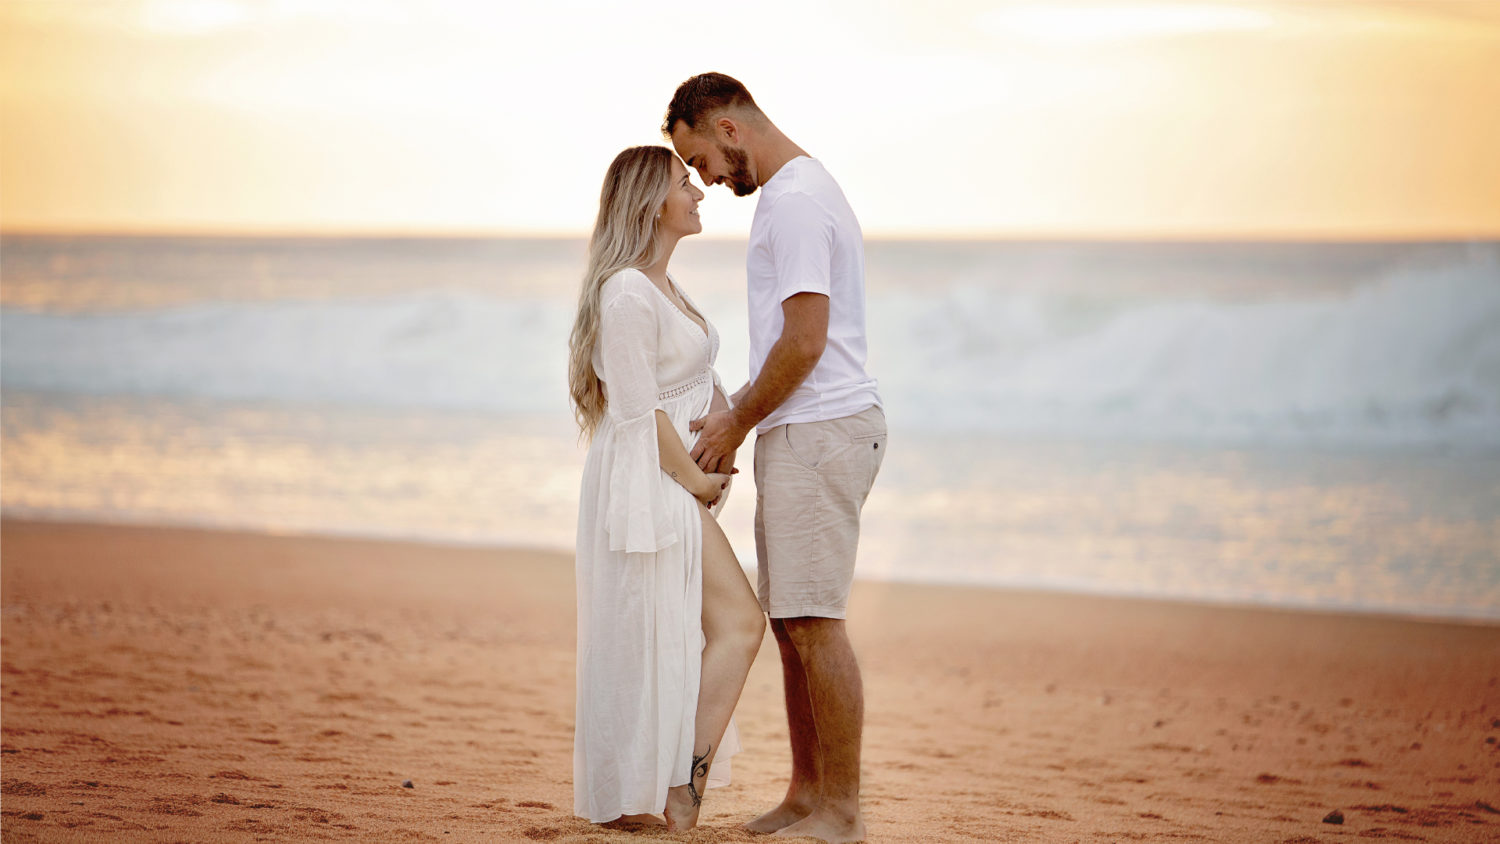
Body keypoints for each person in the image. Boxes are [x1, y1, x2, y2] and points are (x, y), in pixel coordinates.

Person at [664, 73, 887, 844]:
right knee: (794, 622)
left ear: (728, 129)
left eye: (700, 159)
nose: (705, 179)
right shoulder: (794, 194)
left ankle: (842, 812)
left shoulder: (793, 201)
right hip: (805, 431)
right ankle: (805, 796)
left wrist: (735, 422)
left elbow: (806, 340)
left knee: (816, 622)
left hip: (821, 430)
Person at [567, 145, 765, 831]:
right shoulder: (626, 291)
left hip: (672, 479)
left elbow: (691, 377)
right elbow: (637, 407)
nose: (700, 192)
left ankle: (672, 794)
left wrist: (724, 428)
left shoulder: (662, 286)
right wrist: (697, 480)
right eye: (686, 183)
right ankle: (678, 796)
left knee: (676, 630)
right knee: (736, 623)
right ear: (652, 203)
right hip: (648, 482)